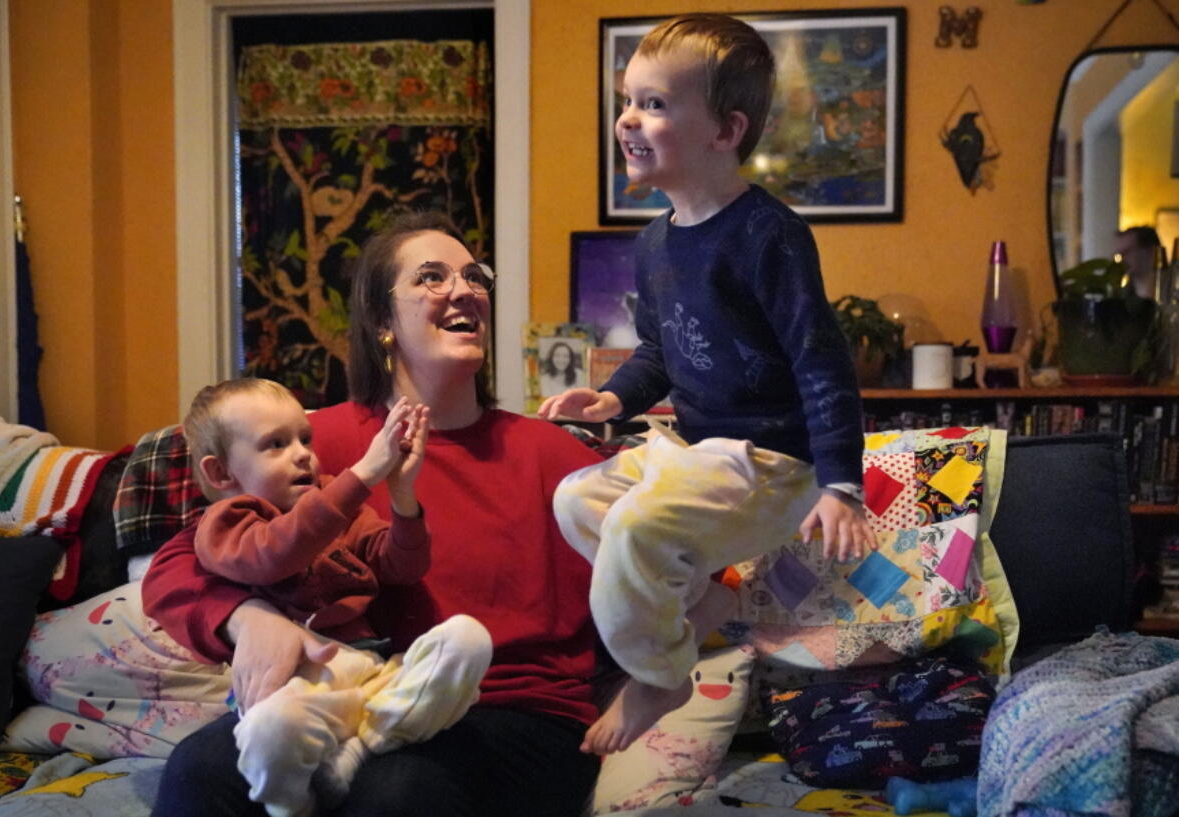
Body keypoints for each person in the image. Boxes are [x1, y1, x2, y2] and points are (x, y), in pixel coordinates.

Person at [142, 211, 605, 817]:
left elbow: (679, 565)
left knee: (397, 790)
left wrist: (651, 683)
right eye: (433, 278)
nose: (465, 290)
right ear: (382, 322)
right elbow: (179, 563)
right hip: (351, 698)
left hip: (517, 710)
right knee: (200, 768)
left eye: (474, 276)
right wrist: (245, 617)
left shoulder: (553, 453)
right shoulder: (311, 446)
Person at [538, 13, 876, 755]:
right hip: (696, 450)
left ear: (725, 131)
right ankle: (709, 598)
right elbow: (660, 350)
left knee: (635, 526)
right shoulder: (654, 240)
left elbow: (822, 361)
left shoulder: (769, 235)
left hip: (771, 465)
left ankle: (659, 671)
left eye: (655, 104)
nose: (629, 118)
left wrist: (841, 485)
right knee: (577, 498)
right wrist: (612, 399)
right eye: (627, 100)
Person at [180, 377, 491, 817]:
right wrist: (362, 475)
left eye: (304, 438)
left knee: (467, 639)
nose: (302, 453)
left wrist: (402, 496)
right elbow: (275, 553)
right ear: (221, 473)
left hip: (371, 673)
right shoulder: (225, 524)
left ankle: (364, 747)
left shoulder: (332, 502)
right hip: (295, 689)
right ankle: (295, 805)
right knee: (268, 732)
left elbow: (402, 567)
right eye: (276, 444)